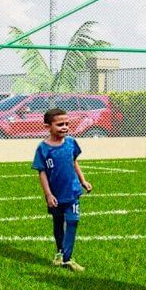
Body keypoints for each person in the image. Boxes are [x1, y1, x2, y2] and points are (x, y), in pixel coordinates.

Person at [34, 107, 93, 270]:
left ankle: (68, 258)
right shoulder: (43, 148)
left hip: (72, 191)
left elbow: (74, 162)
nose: (65, 127)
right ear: (48, 126)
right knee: (58, 223)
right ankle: (60, 252)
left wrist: (83, 181)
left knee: (73, 221)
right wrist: (48, 194)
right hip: (56, 195)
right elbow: (42, 172)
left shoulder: (71, 143)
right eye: (60, 124)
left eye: (67, 124)